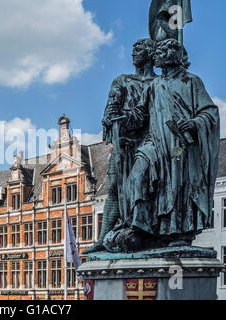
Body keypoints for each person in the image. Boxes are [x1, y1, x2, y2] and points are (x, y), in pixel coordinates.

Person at [108, 39, 220, 252]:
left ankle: (177, 231)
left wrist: (195, 123)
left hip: (179, 144)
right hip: (155, 142)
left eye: (160, 52)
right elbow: (140, 115)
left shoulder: (191, 82)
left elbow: (210, 113)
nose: (156, 57)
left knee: (177, 186)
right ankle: (141, 227)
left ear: (172, 55)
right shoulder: (154, 85)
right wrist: (121, 118)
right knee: (136, 176)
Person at [84, 39, 157, 254]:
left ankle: (145, 230)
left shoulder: (158, 84)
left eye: (139, 50)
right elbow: (110, 110)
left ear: (150, 54)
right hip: (124, 143)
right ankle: (102, 238)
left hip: (151, 143)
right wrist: (112, 118)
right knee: (115, 187)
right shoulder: (122, 81)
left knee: (148, 186)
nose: (134, 54)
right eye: (133, 50)